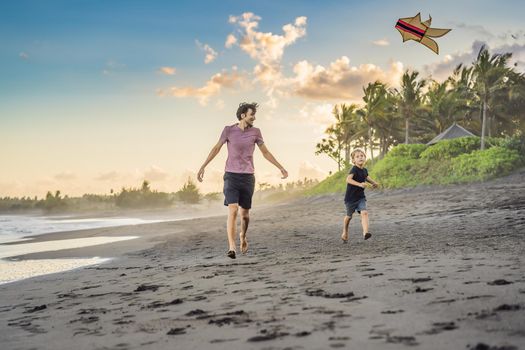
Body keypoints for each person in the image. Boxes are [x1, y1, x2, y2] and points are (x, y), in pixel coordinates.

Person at [197, 102, 288, 259]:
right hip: (231, 176)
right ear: (242, 115)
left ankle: (243, 237)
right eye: (251, 114)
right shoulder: (228, 130)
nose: (254, 117)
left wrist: (280, 167)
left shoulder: (256, 132)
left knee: (244, 215)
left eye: (254, 114)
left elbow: (265, 152)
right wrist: (203, 166)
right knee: (232, 210)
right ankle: (231, 247)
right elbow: (216, 148)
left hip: (247, 177)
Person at [341, 149, 379, 243]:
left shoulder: (364, 170)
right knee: (349, 216)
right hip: (350, 198)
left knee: (364, 213)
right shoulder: (354, 169)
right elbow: (348, 180)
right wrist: (359, 184)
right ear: (353, 160)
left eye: (362, 156)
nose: (360, 157)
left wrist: (374, 183)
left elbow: (366, 177)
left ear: (365, 158)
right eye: (357, 156)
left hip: (360, 197)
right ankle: (345, 232)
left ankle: (365, 233)